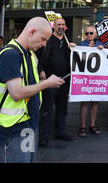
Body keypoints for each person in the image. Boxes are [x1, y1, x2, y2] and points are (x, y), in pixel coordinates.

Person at [0, 17, 65, 163]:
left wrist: (47, 82)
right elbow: (17, 93)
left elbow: (29, 85)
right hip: (12, 129)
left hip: (27, 125)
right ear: (31, 32)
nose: (44, 44)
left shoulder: (30, 54)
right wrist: (47, 83)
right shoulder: (10, 54)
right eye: (43, 39)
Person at [38, 18, 76, 146]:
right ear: (53, 26)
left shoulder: (67, 42)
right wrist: (40, 70)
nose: (61, 26)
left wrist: (74, 50)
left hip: (64, 79)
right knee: (47, 109)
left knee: (62, 108)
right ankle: (44, 136)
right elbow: (37, 56)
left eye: (63, 25)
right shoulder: (47, 40)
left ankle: (61, 132)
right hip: (49, 79)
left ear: (65, 27)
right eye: (58, 24)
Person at [77, 26, 103, 137]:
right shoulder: (81, 45)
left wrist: (103, 49)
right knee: (84, 102)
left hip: (97, 78)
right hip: (85, 78)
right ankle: (82, 126)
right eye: (86, 33)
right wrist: (88, 48)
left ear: (95, 34)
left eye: (91, 33)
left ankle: (92, 125)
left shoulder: (100, 45)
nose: (88, 35)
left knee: (95, 102)